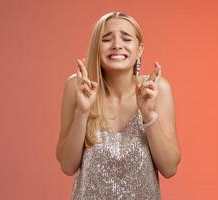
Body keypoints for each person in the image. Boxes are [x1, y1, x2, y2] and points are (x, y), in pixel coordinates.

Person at [56, 11, 181, 199]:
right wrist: (82, 112)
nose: (117, 45)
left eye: (126, 38)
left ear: (139, 49)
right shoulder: (78, 87)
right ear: (96, 48)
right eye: (106, 39)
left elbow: (169, 168)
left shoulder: (156, 89)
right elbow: (67, 165)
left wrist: (148, 116)